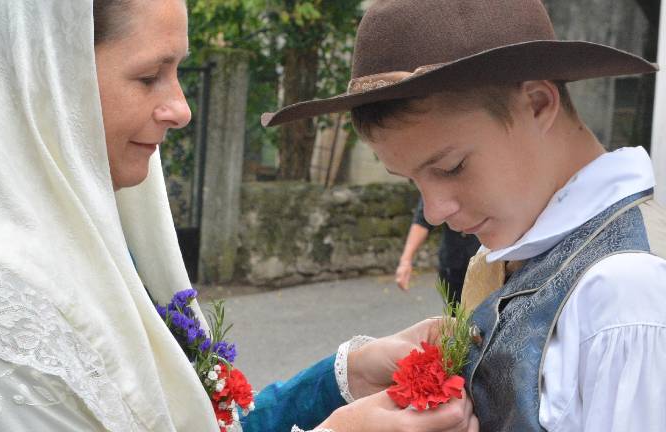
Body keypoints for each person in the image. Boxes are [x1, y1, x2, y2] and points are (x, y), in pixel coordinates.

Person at [0, 1, 478, 431]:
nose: (181, 107)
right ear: (46, 76)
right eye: (149, 75)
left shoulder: (87, 237)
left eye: (178, 72)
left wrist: (342, 379)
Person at [261, 0, 666, 430]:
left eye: (452, 167)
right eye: (412, 180)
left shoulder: (625, 294)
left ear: (537, 103)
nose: (434, 211)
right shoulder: (524, 248)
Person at [396, 199, 480, 305]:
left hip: (490, 264)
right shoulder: (439, 184)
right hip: (453, 266)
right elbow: (422, 220)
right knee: (457, 316)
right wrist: (406, 260)